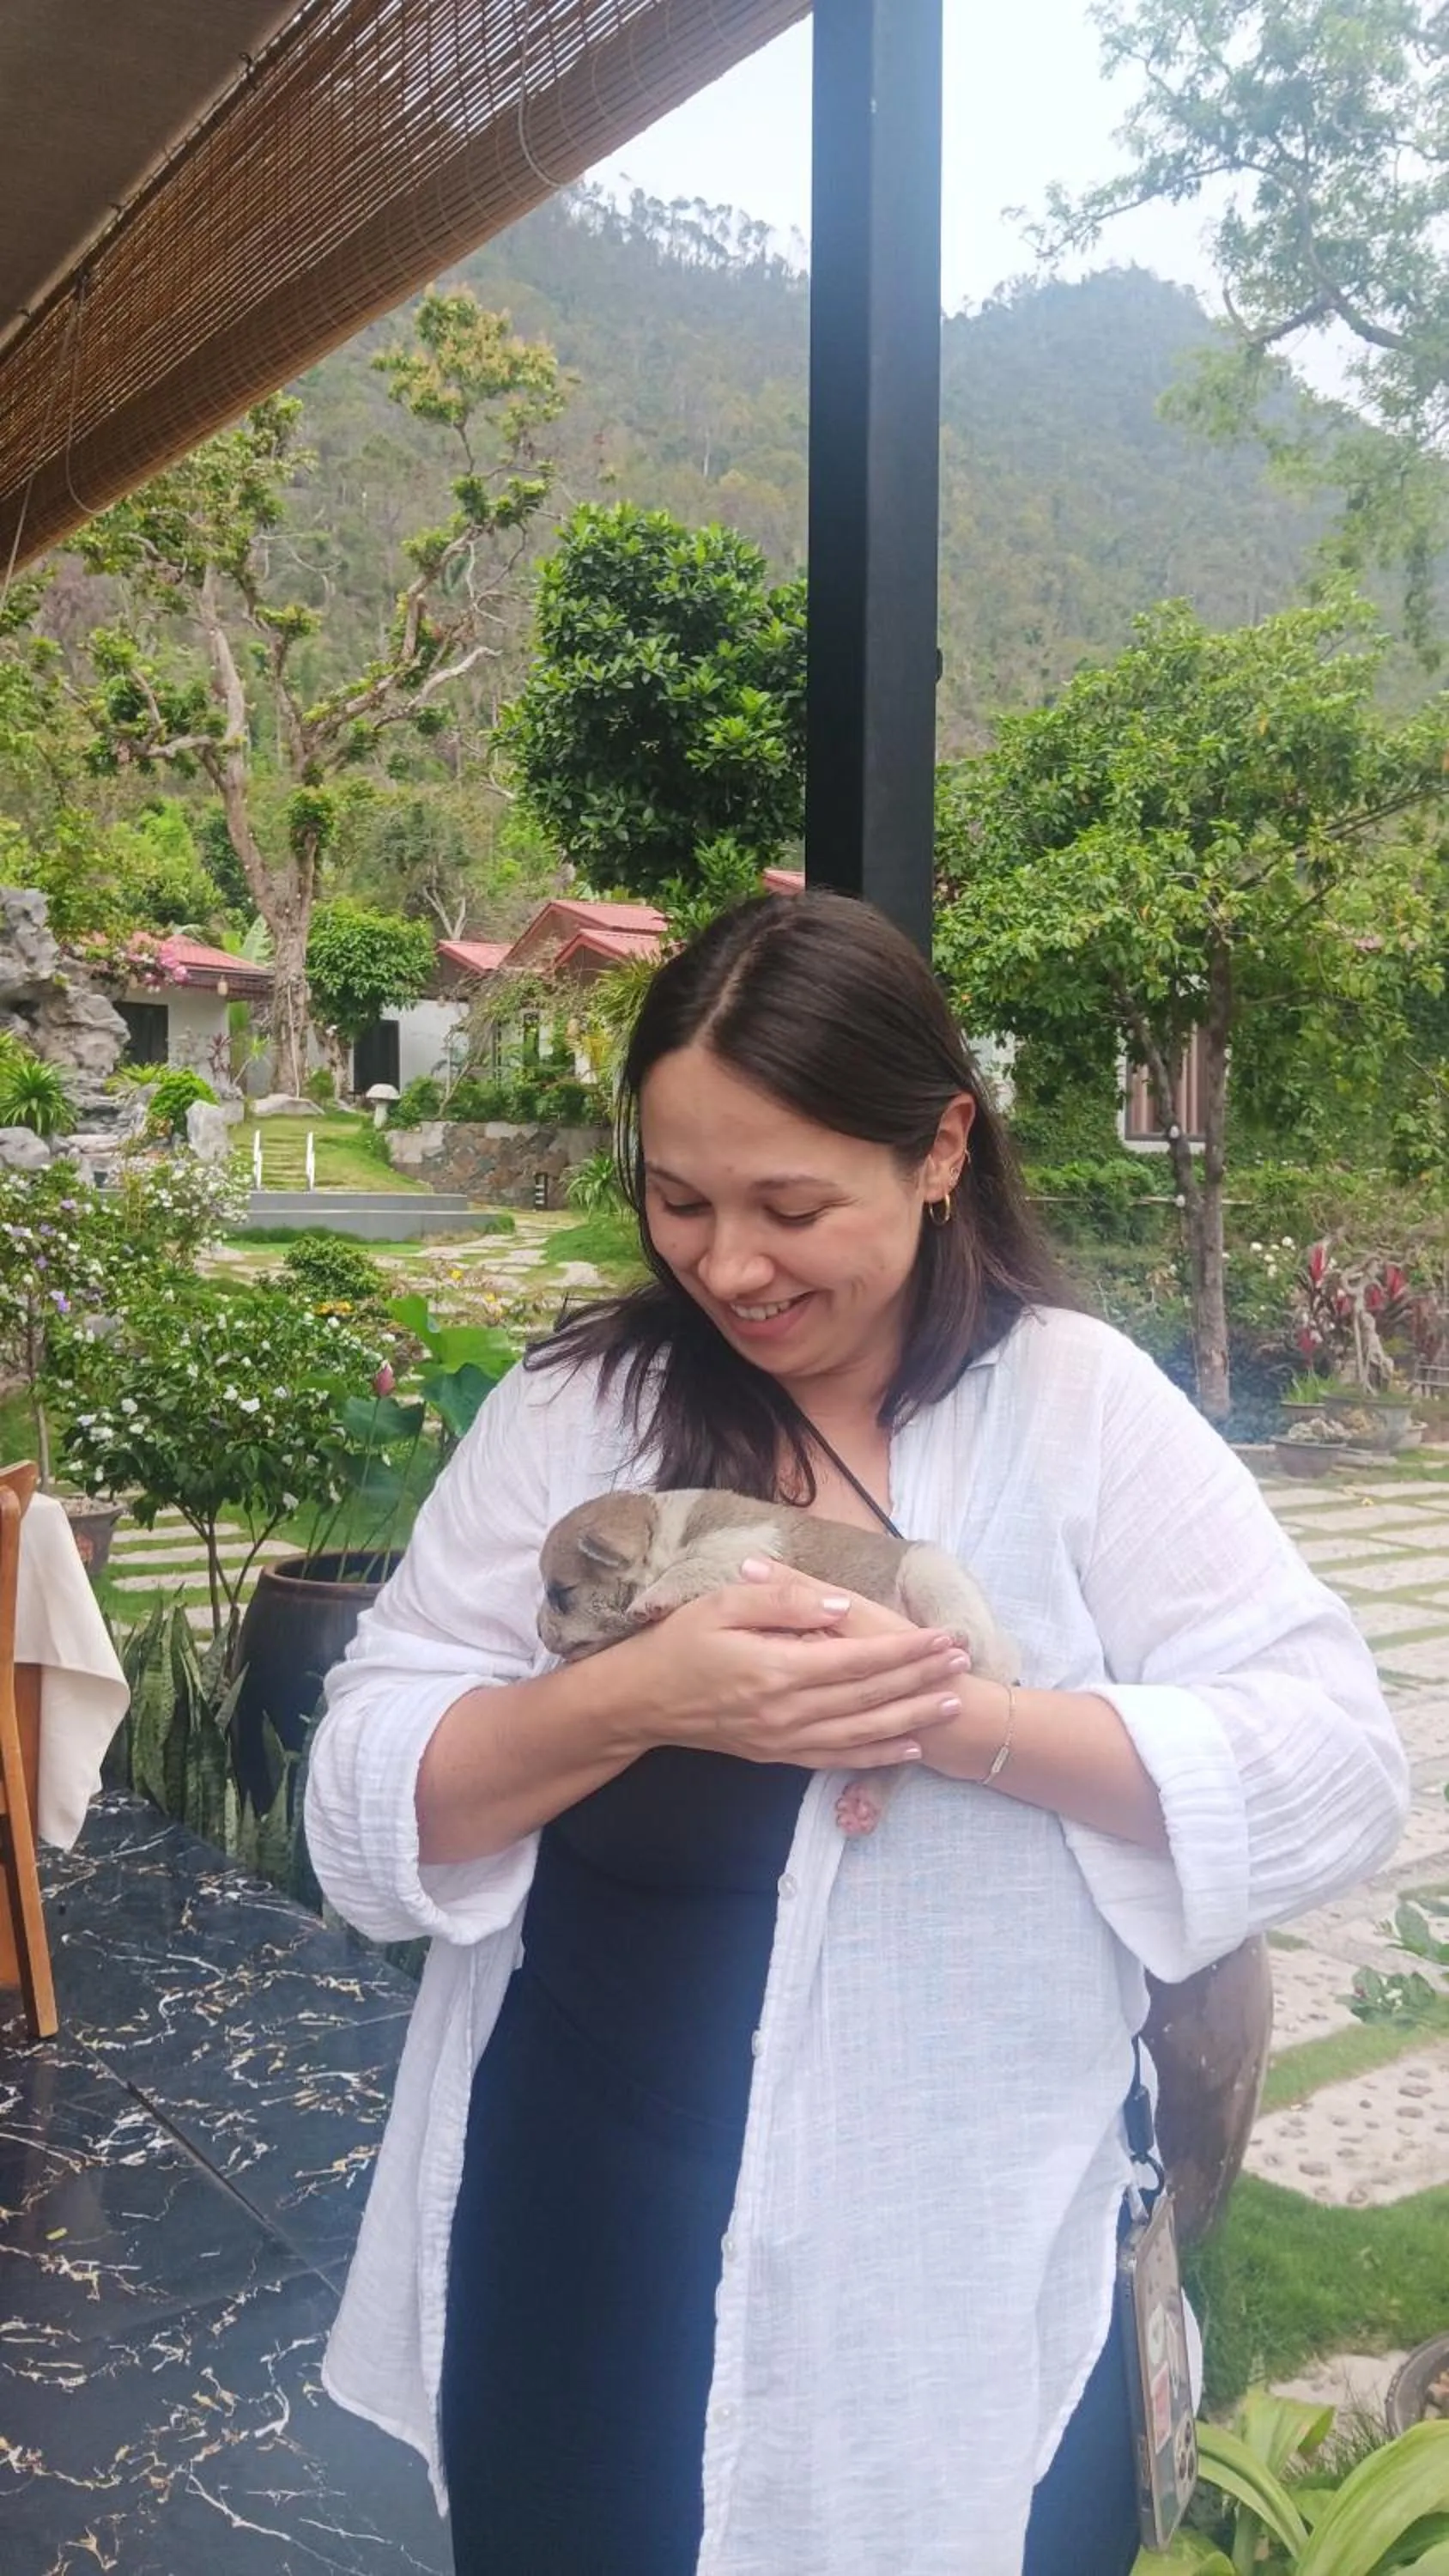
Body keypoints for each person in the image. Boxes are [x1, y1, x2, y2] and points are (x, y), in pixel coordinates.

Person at [306, 890, 1408, 2576]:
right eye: (677, 1200)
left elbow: (1331, 1762)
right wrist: (642, 1695)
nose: (726, 1263)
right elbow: (366, 1778)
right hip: (578, 2236)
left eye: (790, 1205)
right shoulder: (577, 1412)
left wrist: (951, 1716)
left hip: (958, 2286)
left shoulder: (1073, 1409)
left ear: (941, 1147)